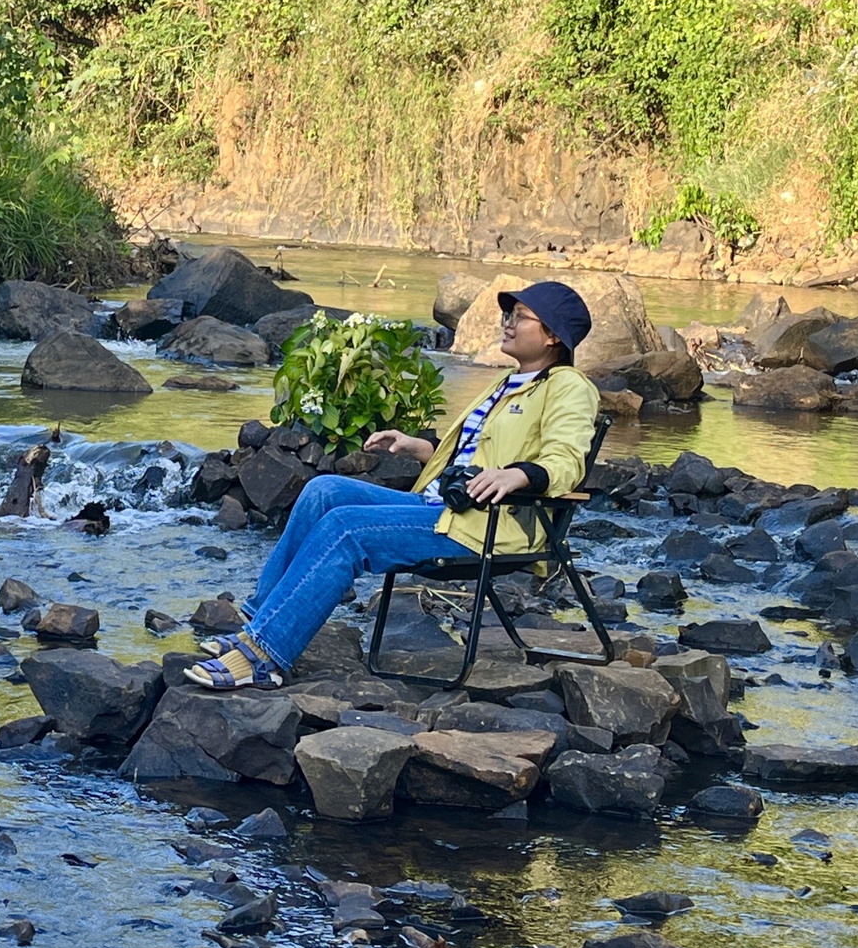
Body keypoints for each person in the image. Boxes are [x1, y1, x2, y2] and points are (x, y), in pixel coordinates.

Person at [184, 281, 601, 690]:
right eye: (507, 314)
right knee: (323, 491)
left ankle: (264, 656)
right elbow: (474, 456)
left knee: (346, 529)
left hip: (488, 527)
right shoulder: (507, 383)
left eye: (520, 317)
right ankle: (258, 625)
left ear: (551, 336)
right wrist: (418, 446)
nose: (507, 323)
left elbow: (566, 460)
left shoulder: (569, 387)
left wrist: (519, 474)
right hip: (442, 508)